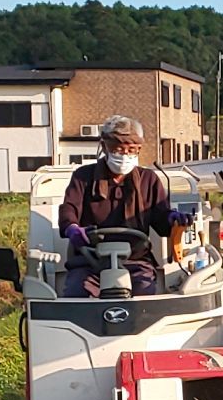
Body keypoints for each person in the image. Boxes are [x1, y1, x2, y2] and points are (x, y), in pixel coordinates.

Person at [57, 115, 187, 297]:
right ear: (104, 147)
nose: (124, 155)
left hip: (135, 261)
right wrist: (72, 228)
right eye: (118, 150)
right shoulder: (83, 177)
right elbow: (69, 208)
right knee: (77, 293)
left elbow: (161, 220)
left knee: (145, 296)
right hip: (90, 262)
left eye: (131, 150)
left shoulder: (148, 180)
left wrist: (172, 219)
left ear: (139, 150)